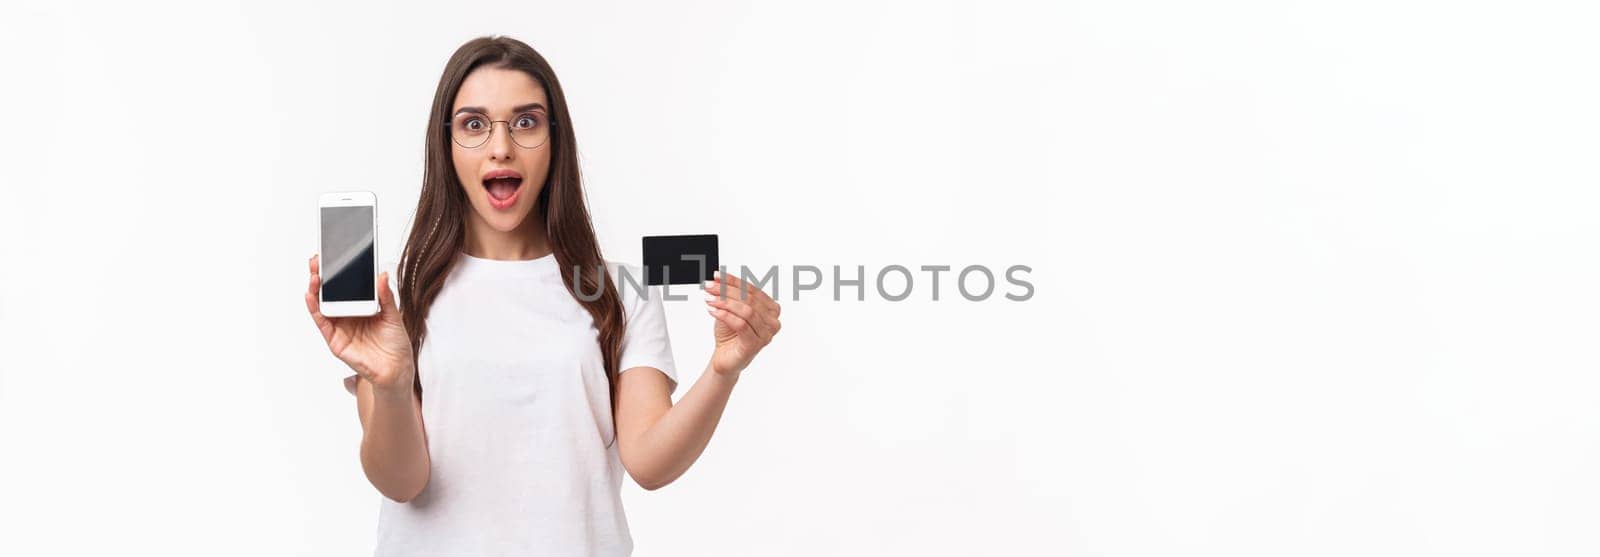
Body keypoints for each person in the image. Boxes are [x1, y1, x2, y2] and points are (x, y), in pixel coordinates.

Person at [302, 36, 782, 556]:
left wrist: (724, 369)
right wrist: (392, 385)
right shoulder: (396, 298)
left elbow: (649, 462)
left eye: (526, 122)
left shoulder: (620, 292)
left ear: (556, 141)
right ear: (446, 146)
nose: (501, 146)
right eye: (474, 124)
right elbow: (401, 482)